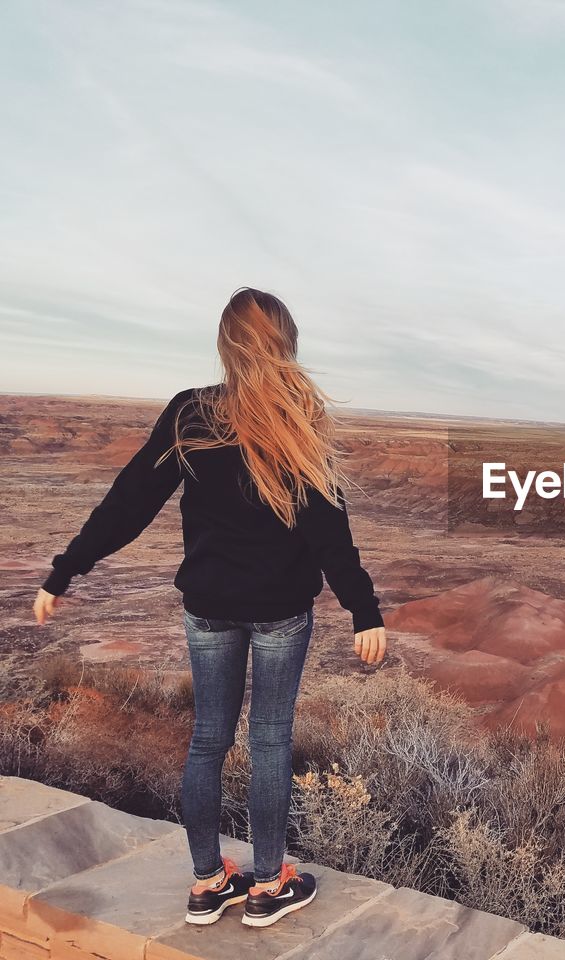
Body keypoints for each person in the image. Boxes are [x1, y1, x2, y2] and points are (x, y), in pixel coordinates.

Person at [32, 288, 388, 928]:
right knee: (270, 740)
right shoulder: (297, 420)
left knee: (208, 740)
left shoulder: (190, 414)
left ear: (226, 346)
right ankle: (268, 883)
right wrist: (365, 611)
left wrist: (65, 571)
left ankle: (205, 883)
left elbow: (128, 503)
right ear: (286, 344)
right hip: (280, 612)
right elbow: (329, 532)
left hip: (207, 608)